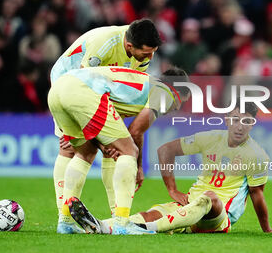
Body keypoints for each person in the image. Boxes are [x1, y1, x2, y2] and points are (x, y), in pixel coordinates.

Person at [69, 101, 272, 234]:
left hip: (218, 216)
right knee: (150, 213)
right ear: (226, 119)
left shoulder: (257, 155)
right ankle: (101, 226)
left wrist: (267, 229)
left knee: (209, 198)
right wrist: (173, 190)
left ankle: (148, 230)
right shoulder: (210, 137)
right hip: (187, 205)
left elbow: (257, 194)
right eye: (235, 119)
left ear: (253, 124)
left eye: (246, 121)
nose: (239, 126)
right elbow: (166, 150)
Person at [50, 19, 162, 234]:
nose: (150, 58)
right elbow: (84, 82)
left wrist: (106, 141)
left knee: (102, 148)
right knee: (70, 148)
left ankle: (106, 215)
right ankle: (114, 221)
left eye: (153, 52)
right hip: (68, 81)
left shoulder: (141, 54)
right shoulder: (104, 44)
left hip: (99, 90)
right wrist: (102, 142)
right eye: (147, 53)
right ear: (130, 46)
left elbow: (119, 91)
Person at [48, 66, 190, 234]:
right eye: (182, 101)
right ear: (178, 91)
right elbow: (135, 131)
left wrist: (105, 146)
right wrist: (138, 166)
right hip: (82, 93)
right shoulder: (165, 92)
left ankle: (65, 222)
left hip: (58, 89)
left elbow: (131, 131)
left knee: (84, 153)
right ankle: (121, 224)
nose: (177, 108)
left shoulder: (137, 88)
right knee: (129, 152)